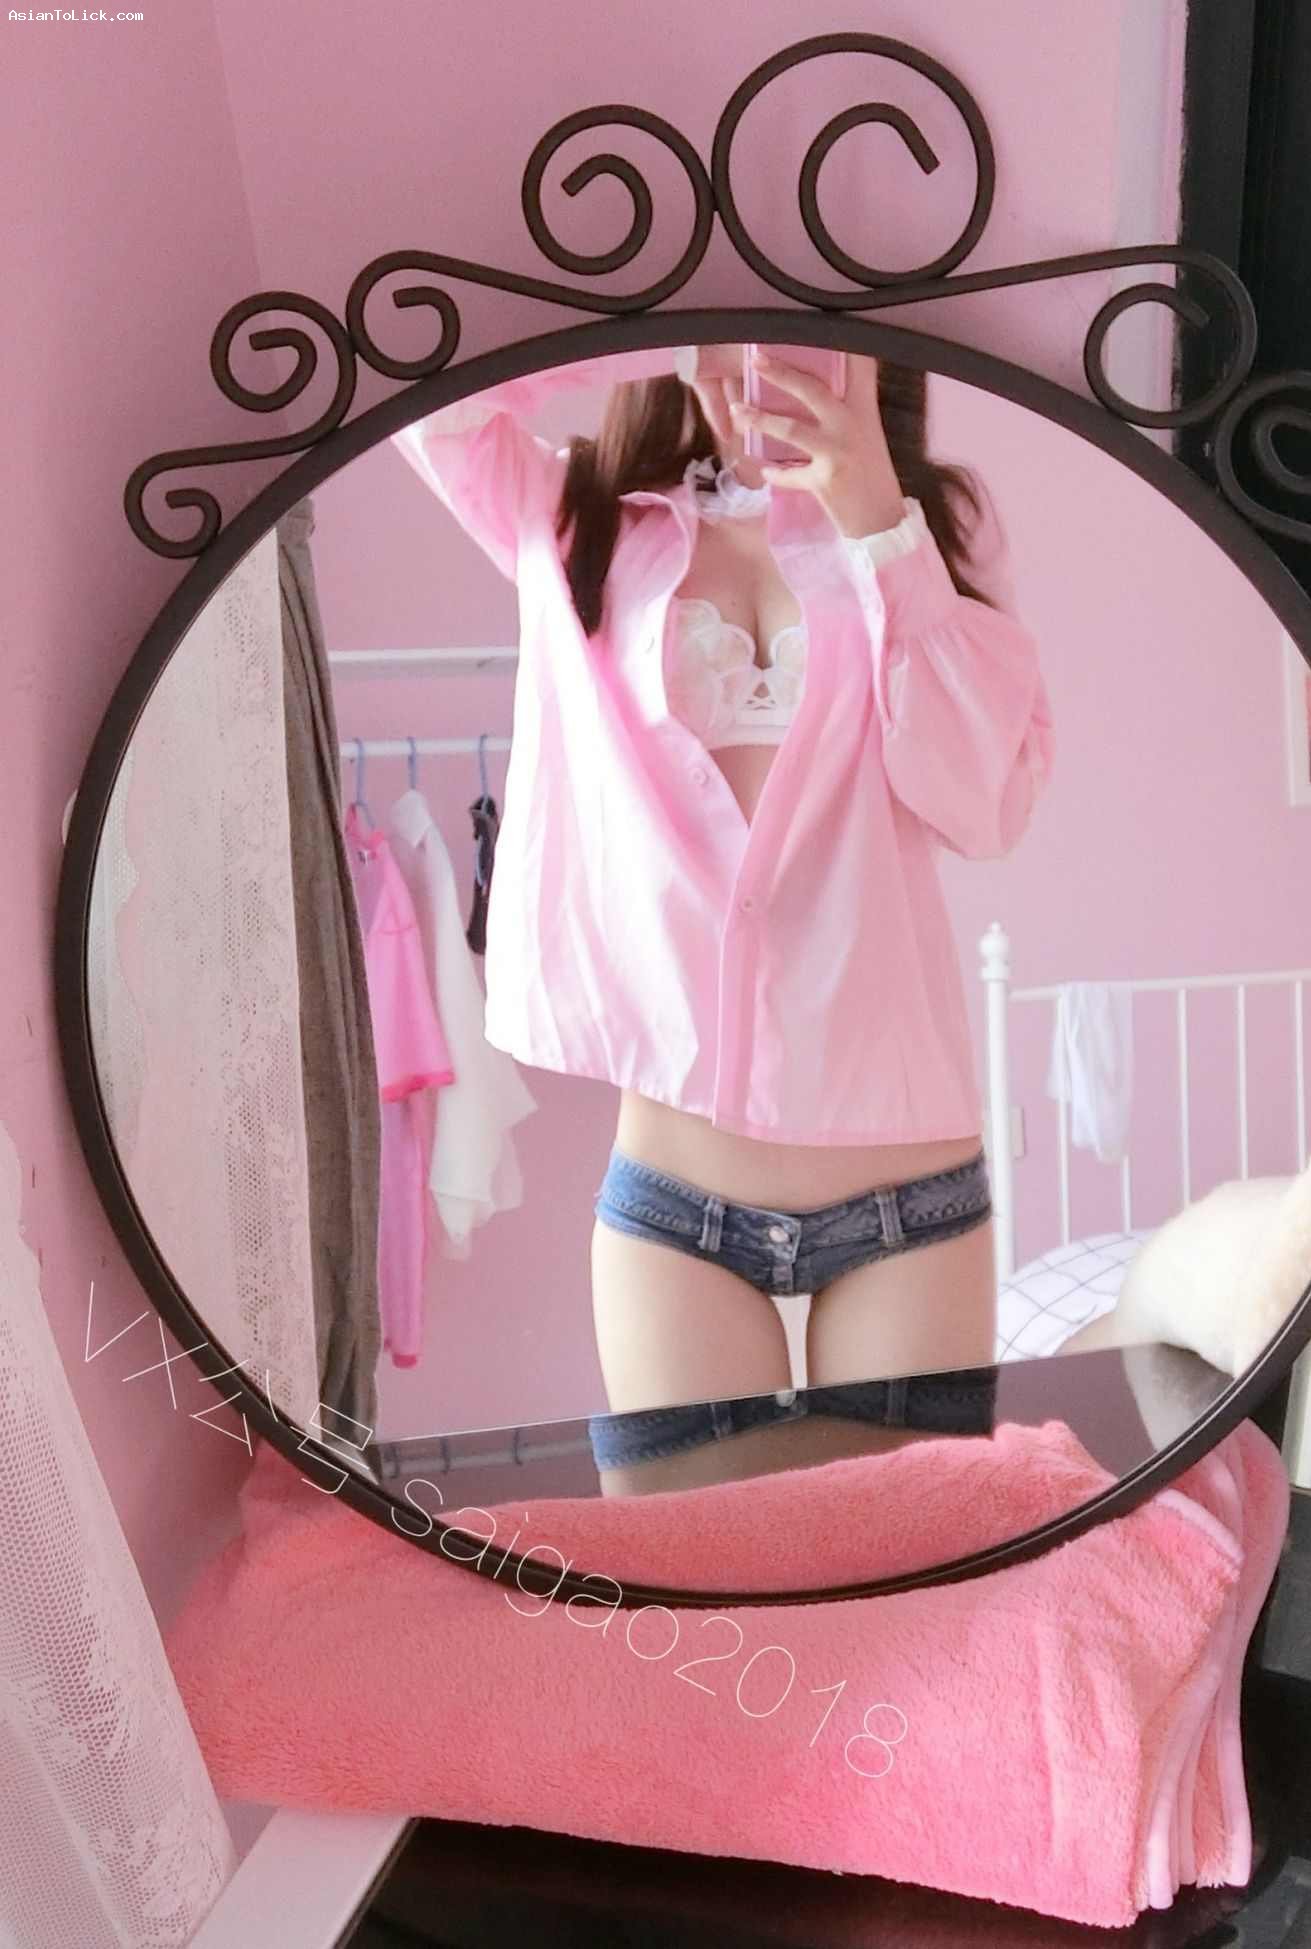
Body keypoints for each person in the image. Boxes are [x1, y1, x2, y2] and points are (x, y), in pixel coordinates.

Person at [392, 342, 1053, 1487]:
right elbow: (426, 402)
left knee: (909, 1571)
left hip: (908, 1210)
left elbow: (987, 801)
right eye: (735, 337)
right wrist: (674, 332)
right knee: (695, 1586)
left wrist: (875, 514)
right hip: (674, 1209)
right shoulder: (575, 520)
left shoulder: (922, 532)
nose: (758, 365)